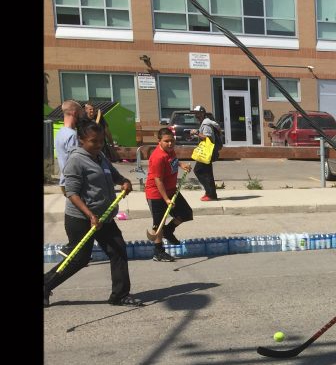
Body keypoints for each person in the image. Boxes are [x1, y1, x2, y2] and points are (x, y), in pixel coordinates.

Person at [44, 121, 141, 308]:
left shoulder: (101, 156)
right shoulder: (76, 161)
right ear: (81, 140)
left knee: (118, 250)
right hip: (81, 218)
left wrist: (124, 182)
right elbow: (71, 192)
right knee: (79, 259)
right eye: (93, 141)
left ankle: (120, 295)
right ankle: (46, 284)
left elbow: (114, 175)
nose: (98, 145)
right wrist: (90, 215)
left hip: (103, 216)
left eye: (101, 141)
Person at [147, 128, 194, 262]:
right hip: (156, 193)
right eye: (166, 141)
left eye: (172, 141)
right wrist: (166, 199)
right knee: (158, 224)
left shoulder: (170, 151)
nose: (170, 144)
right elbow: (158, 180)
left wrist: (181, 164)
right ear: (159, 141)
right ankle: (158, 251)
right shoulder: (157, 157)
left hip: (171, 190)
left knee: (186, 213)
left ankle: (169, 230)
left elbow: (172, 161)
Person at [190, 106, 221, 201]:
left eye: (197, 113)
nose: (196, 115)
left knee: (198, 171)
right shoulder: (205, 123)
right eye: (195, 113)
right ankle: (211, 194)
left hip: (207, 152)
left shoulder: (206, 124)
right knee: (207, 173)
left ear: (203, 113)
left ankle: (210, 193)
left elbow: (208, 138)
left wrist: (196, 133)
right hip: (207, 151)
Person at [55, 100, 83, 197]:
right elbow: (76, 162)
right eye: (80, 114)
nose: (81, 118)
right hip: (74, 183)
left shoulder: (60, 133)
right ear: (74, 113)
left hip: (64, 181)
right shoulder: (72, 135)